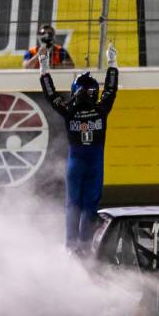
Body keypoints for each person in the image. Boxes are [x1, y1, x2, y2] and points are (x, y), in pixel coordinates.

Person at [38, 44, 118, 251]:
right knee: (87, 206)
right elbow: (111, 89)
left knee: (74, 205)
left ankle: (71, 246)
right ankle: (81, 246)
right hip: (94, 163)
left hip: (77, 163)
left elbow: (51, 95)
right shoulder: (101, 109)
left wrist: (44, 67)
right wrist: (112, 64)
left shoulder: (69, 110)